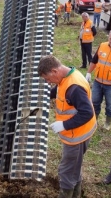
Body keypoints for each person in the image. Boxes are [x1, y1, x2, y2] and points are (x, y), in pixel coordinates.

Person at [38, 55, 97, 198]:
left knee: (67, 170)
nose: (48, 82)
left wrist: (64, 125)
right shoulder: (67, 75)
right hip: (76, 133)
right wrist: (46, 96)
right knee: (74, 167)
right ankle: (76, 194)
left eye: (47, 79)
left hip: (76, 136)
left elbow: (87, 112)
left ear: (54, 71)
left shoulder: (74, 87)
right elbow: (60, 91)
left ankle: (66, 194)